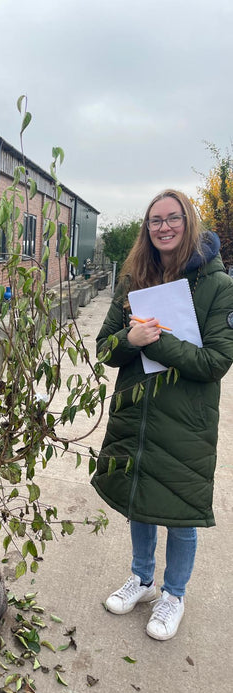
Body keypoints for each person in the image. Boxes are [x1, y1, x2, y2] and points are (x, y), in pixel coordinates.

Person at [91, 189, 233, 641]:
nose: (164, 227)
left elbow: (215, 363)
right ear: (146, 229)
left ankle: (174, 594)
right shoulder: (134, 278)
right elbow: (104, 347)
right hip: (137, 412)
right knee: (142, 502)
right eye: (155, 220)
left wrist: (155, 341)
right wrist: (128, 342)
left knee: (182, 510)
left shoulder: (219, 286)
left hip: (186, 418)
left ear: (189, 222)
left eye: (173, 218)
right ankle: (142, 578)